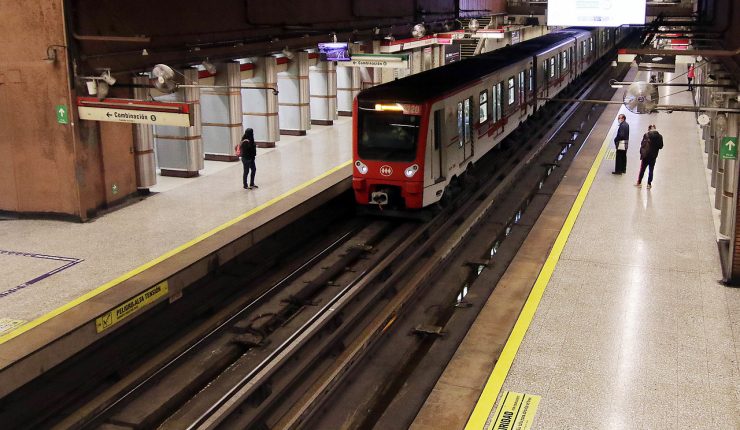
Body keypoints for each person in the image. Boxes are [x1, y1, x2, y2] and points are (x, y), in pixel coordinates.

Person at [635, 124, 663, 189]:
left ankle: (639, 182)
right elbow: (661, 146)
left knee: (642, 169)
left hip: (646, 156)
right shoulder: (660, 136)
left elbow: (642, 144)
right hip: (653, 156)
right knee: (651, 170)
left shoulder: (646, 135)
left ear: (649, 129)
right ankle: (649, 184)